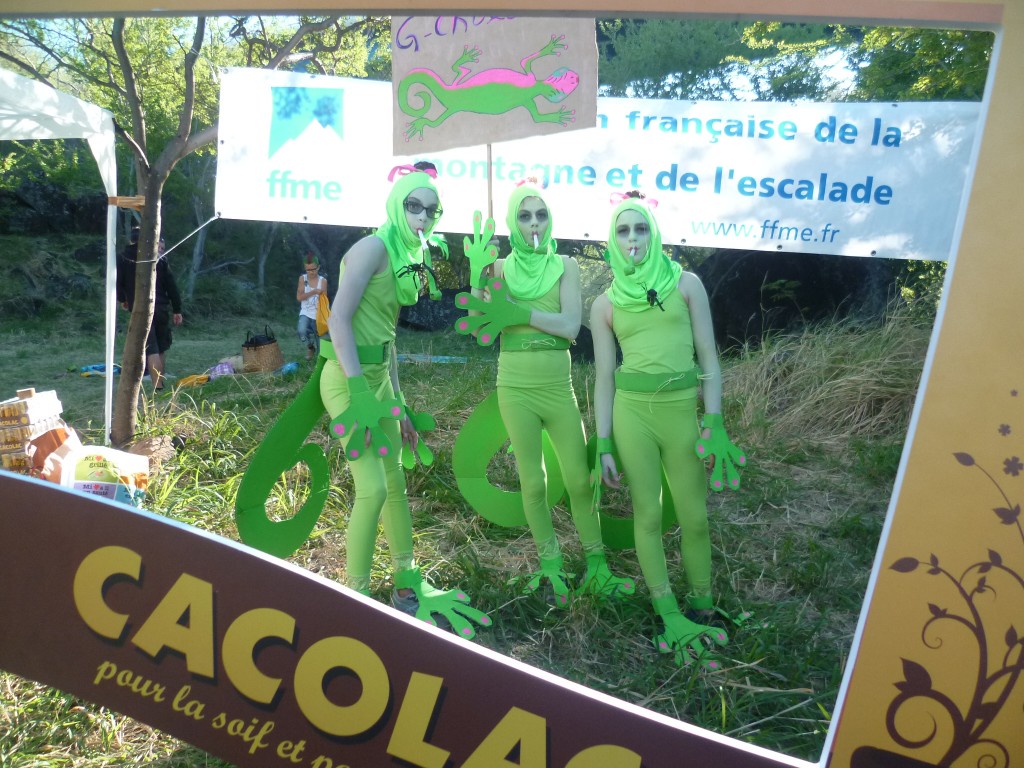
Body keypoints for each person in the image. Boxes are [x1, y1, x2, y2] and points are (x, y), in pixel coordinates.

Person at [320, 162, 491, 637]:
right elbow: (338, 321)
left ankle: (406, 583)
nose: (422, 216)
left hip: (379, 383)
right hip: (346, 382)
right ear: (398, 204)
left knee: (395, 483)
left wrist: (399, 401)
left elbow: (388, 338)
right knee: (372, 489)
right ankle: (354, 599)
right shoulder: (373, 247)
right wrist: (359, 391)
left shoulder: (407, 253)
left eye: (431, 210)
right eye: (414, 205)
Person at [455, 182, 634, 605]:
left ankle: (597, 567)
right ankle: (551, 567)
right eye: (524, 215)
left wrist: (518, 313)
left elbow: (570, 326)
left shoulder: (565, 265)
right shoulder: (499, 269)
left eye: (541, 215)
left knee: (579, 479)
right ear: (513, 222)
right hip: (514, 387)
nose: (534, 223)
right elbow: (479, 324)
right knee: (533, 482)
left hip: (558, 387)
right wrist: (478, 273)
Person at [590, 191, 748, 670]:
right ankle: (668, 612)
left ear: (653, 233)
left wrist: (713, 421)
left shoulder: (687, 284)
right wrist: (603, 442)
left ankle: (702, 606)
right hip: (632, 417)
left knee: (695, 517)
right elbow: (603, 377)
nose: (633, 238)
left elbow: (709, 357)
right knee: (648, 515)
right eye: (623, 230)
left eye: (640, 228)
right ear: (612, 239)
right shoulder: (604, 303)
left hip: (682, 414)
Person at [116, 228, 183, 391]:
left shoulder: (124, 257)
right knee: (161, 347)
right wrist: (177, 309)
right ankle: (161, 381)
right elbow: (172, 286)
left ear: (131, 240)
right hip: (161, 307)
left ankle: (158, 387)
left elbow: (119, 281)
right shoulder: (158, 258)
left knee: (151, 348)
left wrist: (123, 299)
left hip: (140, 308)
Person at [297, 252, 326, 360]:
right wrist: (313, 292)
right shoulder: (302, 279)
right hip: (305, 312)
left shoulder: (323, 281)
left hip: (319, 314)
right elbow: (299, 297)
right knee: (301, 331)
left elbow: (324, 300)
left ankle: (319, 359)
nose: (311, 272)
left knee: (320, 339)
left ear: (318, 267)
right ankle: (310, 347)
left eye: (313, 269)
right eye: (308, 270)